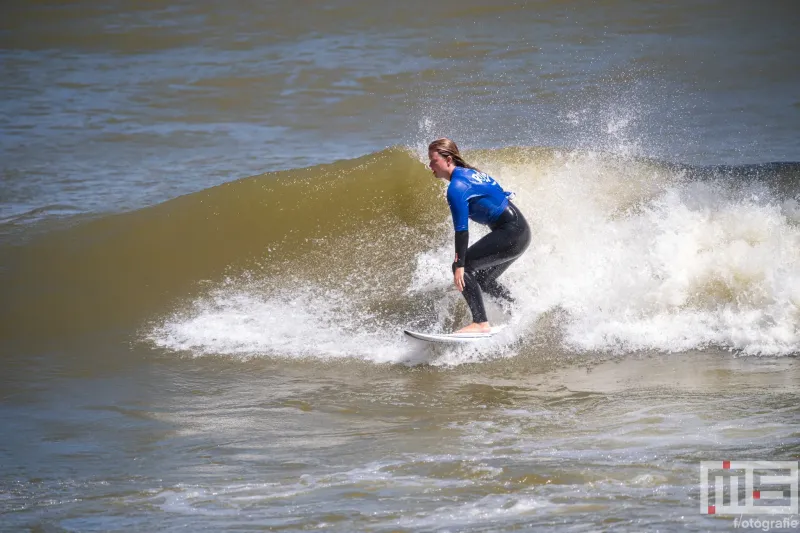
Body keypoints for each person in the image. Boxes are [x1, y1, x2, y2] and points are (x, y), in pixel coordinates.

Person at [428, 138, 531, 333]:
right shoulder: (472, 174)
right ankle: (518, 313)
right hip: (520, 232)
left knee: (464, 267)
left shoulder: (456, 188)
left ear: (448, 160)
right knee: (484, 280)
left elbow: (461, 229)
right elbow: (499, 192)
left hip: (512, 232)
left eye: (433, 160)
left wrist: (459, 265)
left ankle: (480, 323)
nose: (430, 165)